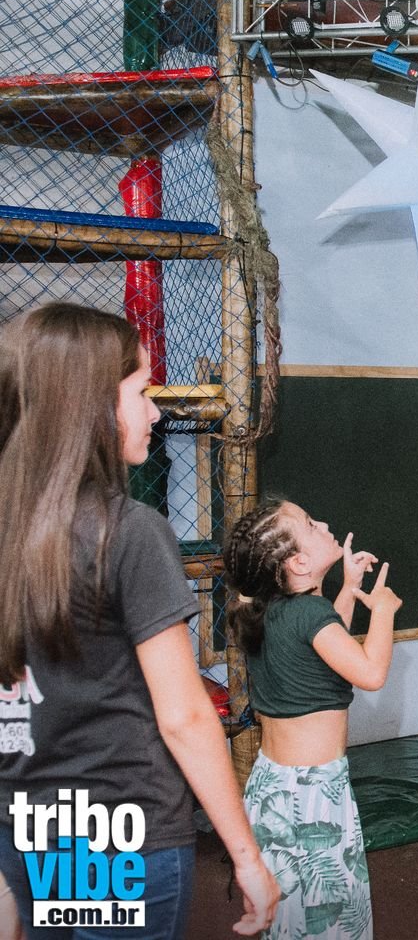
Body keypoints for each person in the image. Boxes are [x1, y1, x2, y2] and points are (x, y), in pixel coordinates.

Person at [0, 303, 277, 938]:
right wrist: (247, 856)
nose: (155, 412)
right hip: (121, 832)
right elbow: (184, 718)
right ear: (90, 405)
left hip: (30, 829)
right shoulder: (127, 531)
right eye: (142, 392)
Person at [224, 501, 402, 940]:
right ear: (299, 563)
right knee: (330, 920)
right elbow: (369, 673)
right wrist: (382, 610)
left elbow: (325, 651)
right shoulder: (309, 614)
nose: (322, 523)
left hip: (274, 786)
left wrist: (349, 588)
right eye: (309, 524)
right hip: (312, 793)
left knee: (291, 920)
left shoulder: (278, 609)